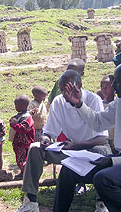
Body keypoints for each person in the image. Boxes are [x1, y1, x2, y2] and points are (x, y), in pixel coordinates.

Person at [53, 61, 121, 212]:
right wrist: (79, 104)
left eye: (118, 82)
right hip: (119, 158)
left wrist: (112, 161)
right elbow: (98, 123)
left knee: (104, 179)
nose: (113, 86)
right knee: (68, 169)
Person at [16, 70, 110, 212]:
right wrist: (45, 139)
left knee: (102, 151)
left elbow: (102, 138)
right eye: (61, 90)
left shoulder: (93, 100)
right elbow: (49, 131)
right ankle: (31, 201)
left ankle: (102, 203)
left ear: (80, 86)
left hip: (92, 148)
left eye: (69, 89)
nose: (65, 94)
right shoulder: (59, 101)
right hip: (71, 149)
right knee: (35, 148)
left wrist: (77, 145)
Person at [10, 95, 35, 179]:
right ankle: (24, 172)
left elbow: (24, 129)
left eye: (16, 105)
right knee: (20, 159)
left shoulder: (27, 117)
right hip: (19, 143)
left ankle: (26, 174)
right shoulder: (21, 115)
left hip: (24, 143)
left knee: (22, 160)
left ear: (22, 106)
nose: (15, 107)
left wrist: (14, 125)